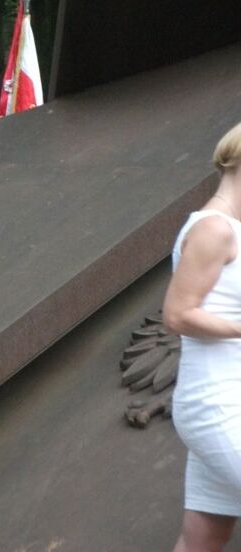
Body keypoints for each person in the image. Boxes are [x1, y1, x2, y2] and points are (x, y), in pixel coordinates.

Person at [163, 121, 241, 552]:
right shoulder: (215, 229)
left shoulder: (231, 229)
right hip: (218, 406)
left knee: (204, 538)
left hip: (227, 403)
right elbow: (177, 314)